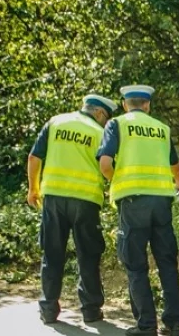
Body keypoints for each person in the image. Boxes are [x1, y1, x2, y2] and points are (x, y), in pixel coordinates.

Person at [97, 84, 179, 336]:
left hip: (133, 202)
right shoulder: (161, 128)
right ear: (147, 105)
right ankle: (174, 324)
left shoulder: (117, 124)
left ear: (125, 104)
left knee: (135, 264)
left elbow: (105, 164)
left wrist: (118, 181)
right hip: (162, 203)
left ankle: (146, 325)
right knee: (167, 262)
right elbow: (177, 169)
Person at [27, 94, 118, 324]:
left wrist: (33, 189)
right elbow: (106, 165)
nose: (106, 122)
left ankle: (48, 309)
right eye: (106, 117)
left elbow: (34, 157)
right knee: (88, 255)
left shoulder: (56, 122)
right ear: (99, 112)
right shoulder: (100, 133)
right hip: (86, 201)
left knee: (52, 253)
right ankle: (91, 310)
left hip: (54, 198)